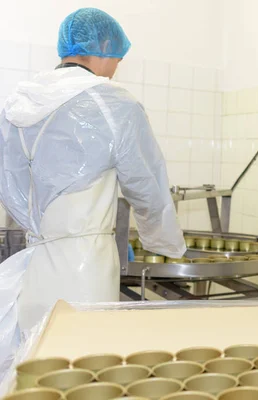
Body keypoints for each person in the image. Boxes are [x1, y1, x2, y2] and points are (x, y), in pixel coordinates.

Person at [0, 8, 185, 371]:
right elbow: (147, 187)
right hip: (86, 266)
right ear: (102, 47)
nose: (116, 68)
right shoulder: (114, 104)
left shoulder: (17, 106)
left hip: (34, 262)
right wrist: (166, 244)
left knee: (35, 366)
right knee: (85, 367)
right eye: (117, 58)